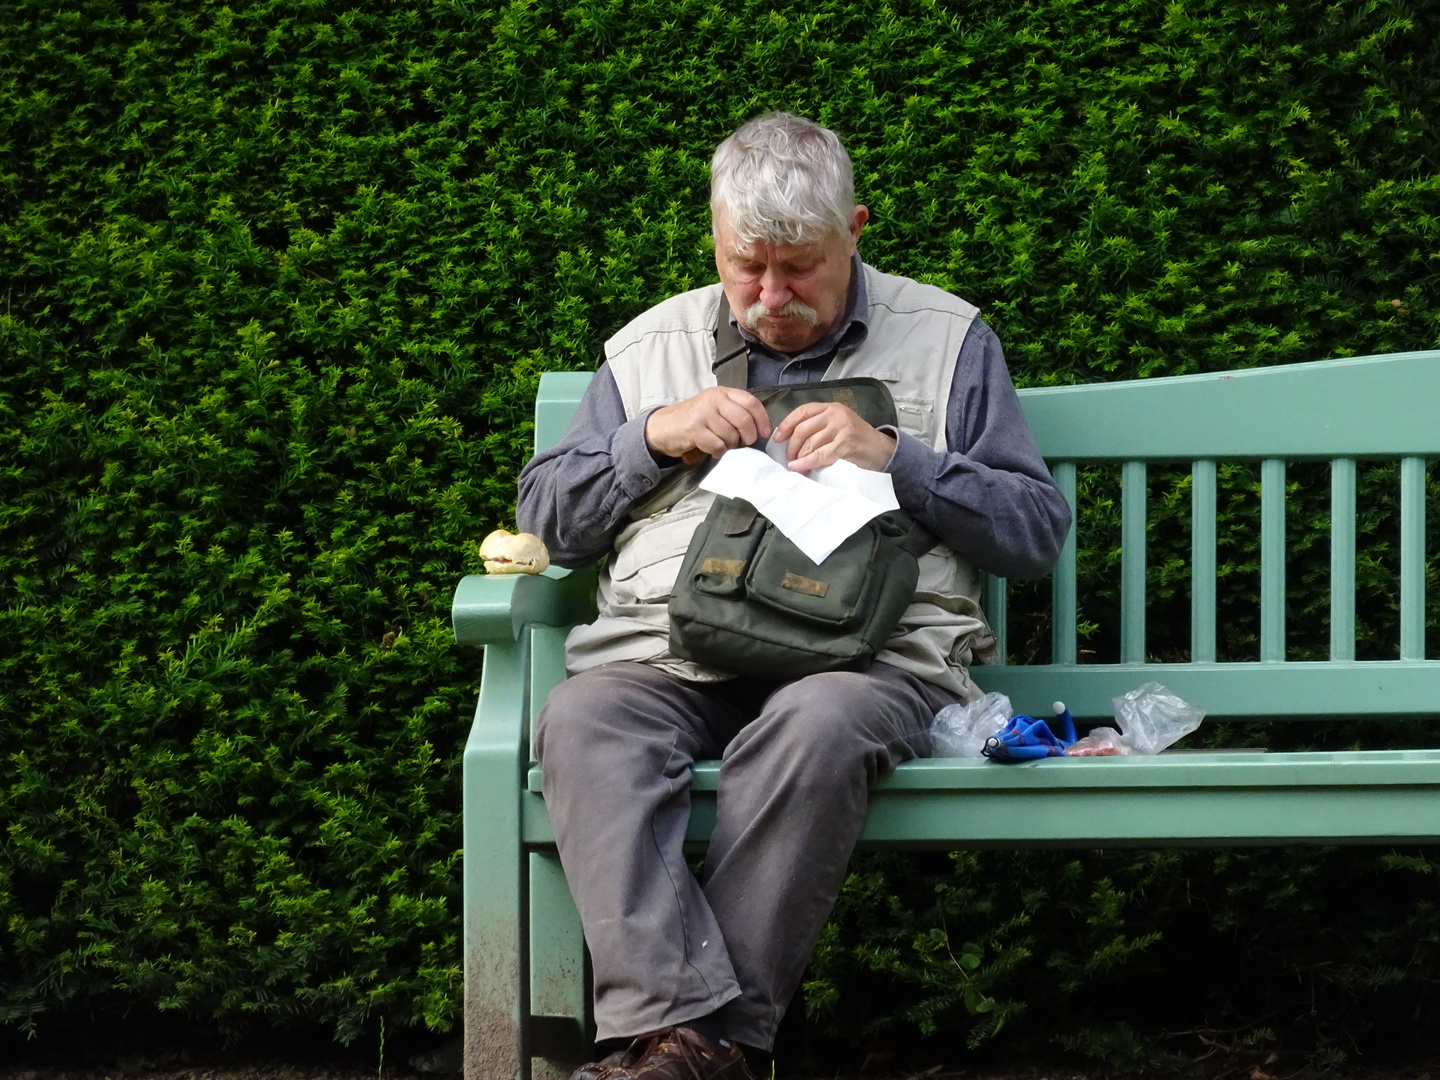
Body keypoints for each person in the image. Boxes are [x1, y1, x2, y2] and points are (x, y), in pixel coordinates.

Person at [517, 112, 1071, 1080]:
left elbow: (1033, 530)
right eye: (747, 267)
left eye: (800, 268)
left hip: (867, 668)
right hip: (671, 655)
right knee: (583, 719)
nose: (771, 297)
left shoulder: (948, 339)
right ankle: (702, 1046)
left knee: (812, 724)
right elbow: (546, 520)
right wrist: (653, 434)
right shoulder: (650, 349)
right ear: (715, 239)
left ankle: (684, 1051)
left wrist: (900, 459)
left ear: (855, 228)